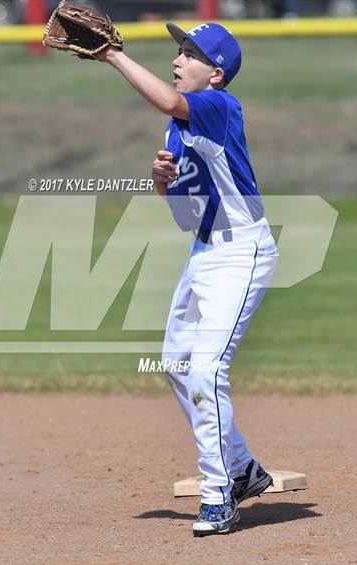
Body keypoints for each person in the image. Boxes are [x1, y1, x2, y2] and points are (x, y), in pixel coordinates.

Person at [98, 21, 278, 537]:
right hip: (205, 250)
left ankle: (219, 494)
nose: (178, 60)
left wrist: (113, 56)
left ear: (216, 74)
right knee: (178, 362)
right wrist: (165, 186)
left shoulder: (221, 107)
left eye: (190, 54)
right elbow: (187, 214)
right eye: (178, 50)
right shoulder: (178, 128)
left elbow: (170, 104)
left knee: (207, 368)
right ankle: (242, 469)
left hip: (242, 251)